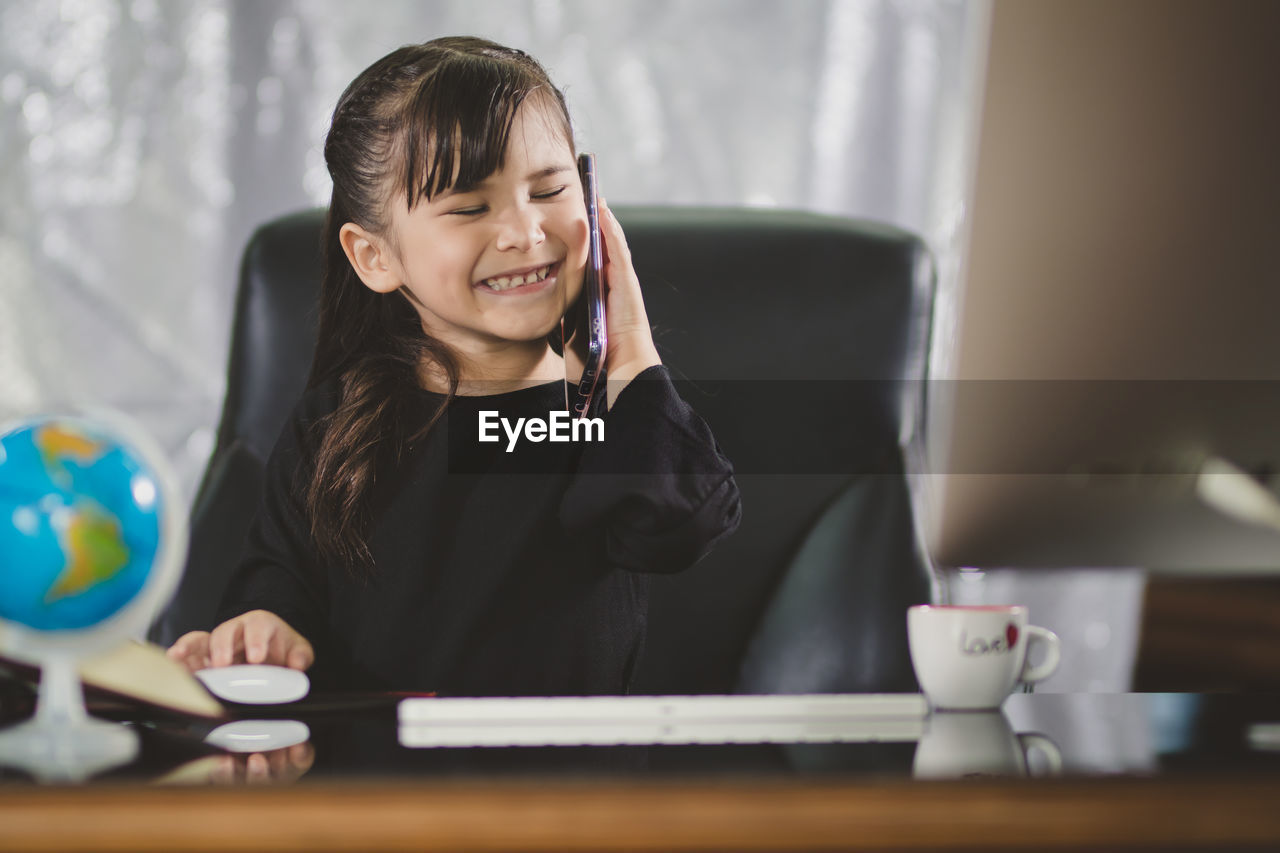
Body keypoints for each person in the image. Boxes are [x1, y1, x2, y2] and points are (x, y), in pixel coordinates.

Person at [166, 36, 740, 695]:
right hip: (373, 788)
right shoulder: (335, 420)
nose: (524, 232)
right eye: (470, 207)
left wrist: (629, 350)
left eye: (550, 189)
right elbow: (280, 576)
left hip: (565, 791)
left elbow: (679, 526)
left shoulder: (600, 417)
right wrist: (264, 627)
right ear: (376, 257)